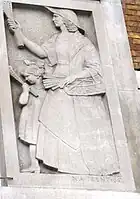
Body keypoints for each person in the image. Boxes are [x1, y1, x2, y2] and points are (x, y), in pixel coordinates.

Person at [8, 7, 119, 175]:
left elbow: (95, 68)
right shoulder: (56, 39)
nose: (53, 20)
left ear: (67, 20)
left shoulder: (83, 42)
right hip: (55, 85)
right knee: (53, 122)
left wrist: (71, 78)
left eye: (56, 17)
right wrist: (20, 33)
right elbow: (42, 52)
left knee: (75, 126)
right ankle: (60, 165)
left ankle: (81, 167)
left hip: (75, 88)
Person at [18, 60, 46, 173]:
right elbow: (22, 102)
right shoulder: (28, 89)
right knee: (32, 142)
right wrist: (25, 91)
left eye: (28, 76)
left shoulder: (46, 90)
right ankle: (34, 165)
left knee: (40, 142)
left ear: (37, 75)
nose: (26, 79)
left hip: (42, 120)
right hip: (30, 120)